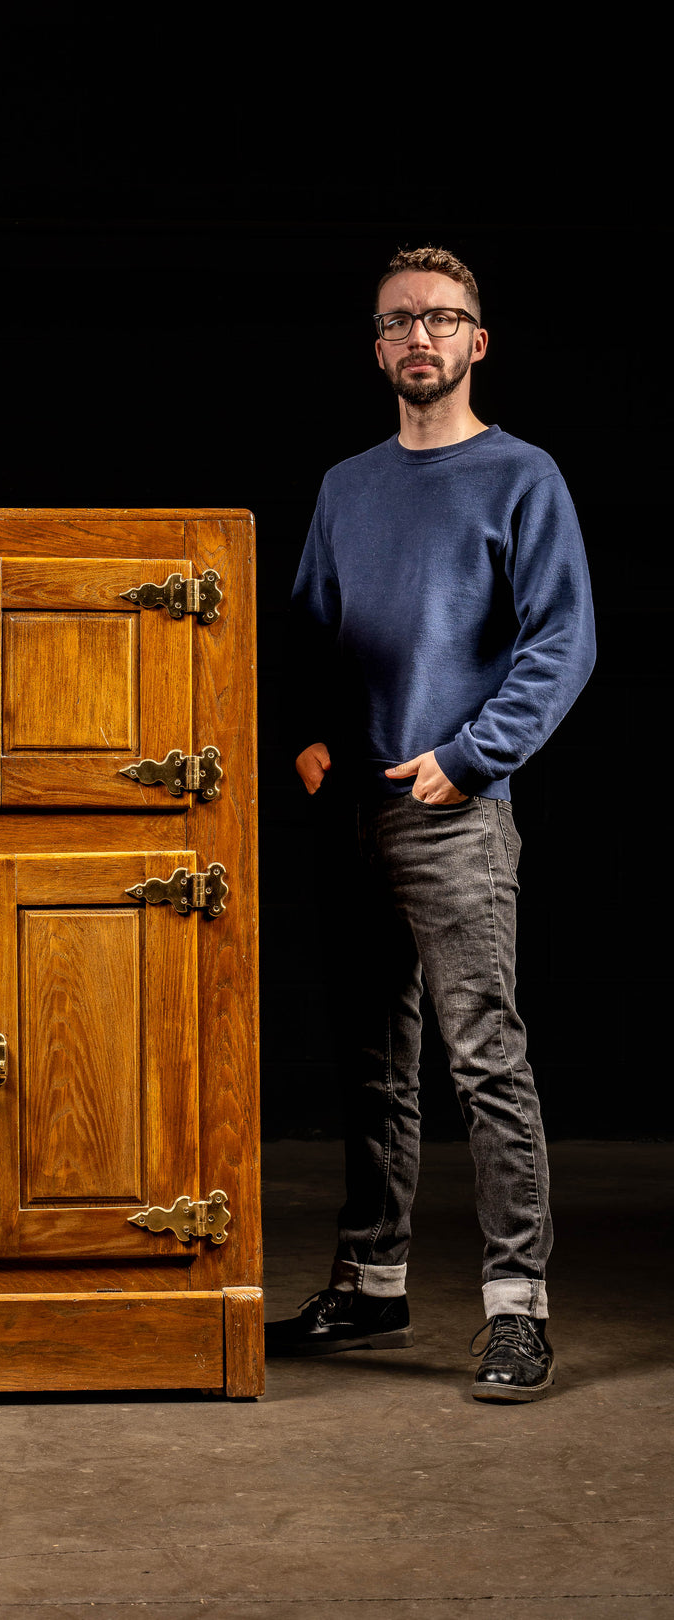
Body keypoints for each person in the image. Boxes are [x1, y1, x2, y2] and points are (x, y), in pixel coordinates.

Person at [267, 245, 595, 1401]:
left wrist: (467, 759)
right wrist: (305, 735)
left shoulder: (523, 477)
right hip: (350, 810)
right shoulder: (347, 484)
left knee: (485, 1061)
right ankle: (373, 1283)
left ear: (477, 343)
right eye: (401, 321)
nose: (421, 338)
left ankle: (518, 1311)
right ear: (377, 347)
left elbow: (563, 644)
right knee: (372, 1069)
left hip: (451, 814)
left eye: (443, 320)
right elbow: (308, 630)